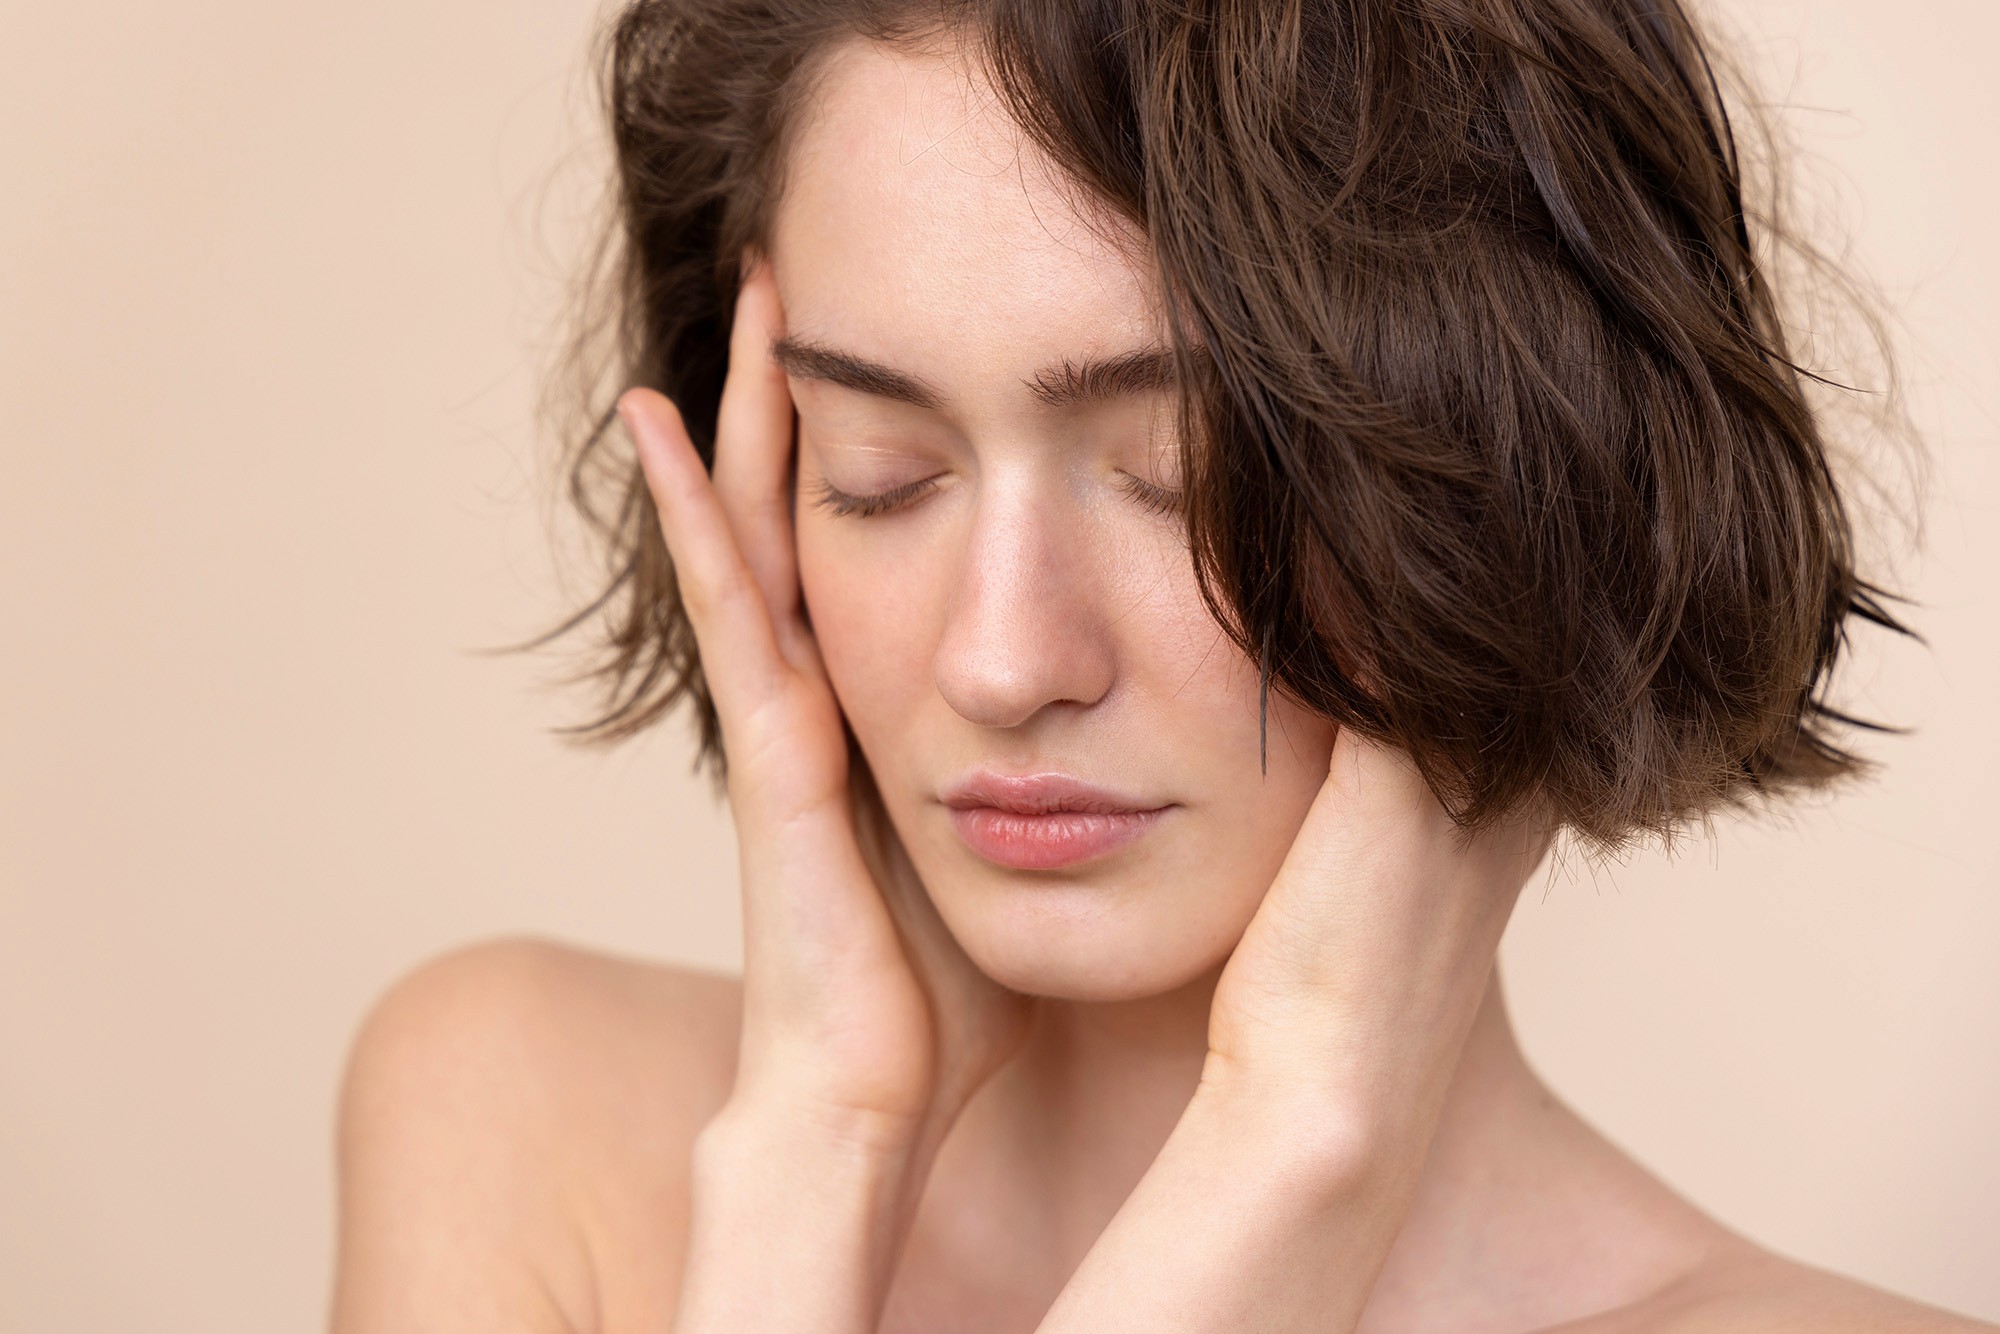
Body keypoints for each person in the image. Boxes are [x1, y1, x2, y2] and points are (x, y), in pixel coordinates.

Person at [329, 0, 1992, 1329]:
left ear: (1507, 486)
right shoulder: (518, 1119)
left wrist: (1294, 1147)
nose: (999, 658)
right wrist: (814, 1162)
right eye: (879, 470)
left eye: (1185, 479)